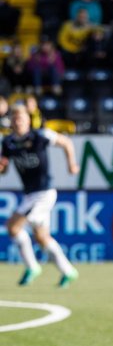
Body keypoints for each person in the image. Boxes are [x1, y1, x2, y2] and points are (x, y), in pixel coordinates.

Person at [0, 104, 78, 287]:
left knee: (13, 226)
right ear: (11, 121)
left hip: (44, 192)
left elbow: (66, 142)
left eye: (21, 118)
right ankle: (68, 271)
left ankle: (32, 266)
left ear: (29, 120)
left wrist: (71, 165)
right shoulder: (7, 142)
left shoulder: (40, 136)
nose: (18, 121)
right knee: (42, 238)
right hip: (29, 195)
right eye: (15, 118)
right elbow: (4, 169)